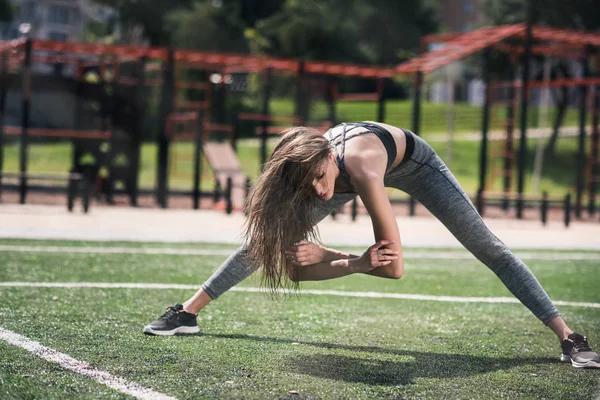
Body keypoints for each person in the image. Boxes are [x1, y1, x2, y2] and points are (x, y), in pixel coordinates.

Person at [144, 121, 599, 369]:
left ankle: (569, 338)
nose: (321, 193)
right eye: (310, 185)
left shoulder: (357, 165)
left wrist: (333, 256)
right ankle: (187, 312)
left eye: (320, 179)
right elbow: (287, 258)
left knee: (489, 248)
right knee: (264, 243)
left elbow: (393, 266)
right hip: (346, 169)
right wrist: (337, 258)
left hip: (415, 165)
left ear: (327, 158)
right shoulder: (311, 168)